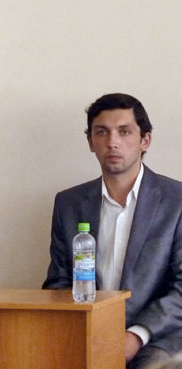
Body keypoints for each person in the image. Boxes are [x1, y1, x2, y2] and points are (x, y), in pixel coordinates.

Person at [43, 93, 182, 368]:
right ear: (90, 142)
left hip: (158, 337)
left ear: (145, 140)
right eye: (102, 132)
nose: (112, 142)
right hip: (88, 330)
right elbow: (58, 283)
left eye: (124, 131)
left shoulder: (176, 201)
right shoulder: (68, 204)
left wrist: (135, 335)